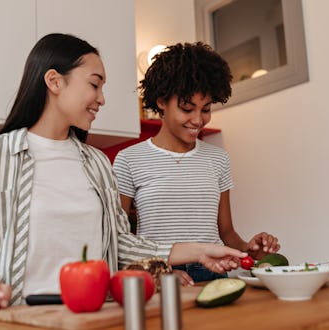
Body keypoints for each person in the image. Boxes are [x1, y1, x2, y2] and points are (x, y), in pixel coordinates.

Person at [0, 34, 248, 318]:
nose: (102, 99)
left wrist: (200, 251)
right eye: (94, 84)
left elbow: (122, 244)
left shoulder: (98, 163)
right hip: (19, 318)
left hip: (93, 318)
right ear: (54, 81)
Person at [113, 42, 280, 285]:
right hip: (161, 275)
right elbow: (119, 239)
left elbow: (226, 233)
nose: (198, 120)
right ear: (161, 101)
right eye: (187, 108)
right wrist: (156, 274)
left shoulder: (218, 159)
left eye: (206, 109)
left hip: (214, 274)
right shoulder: (129, 159)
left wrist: (248, 249)